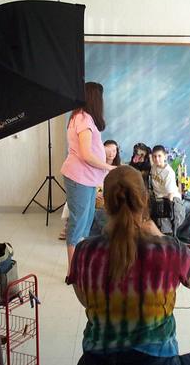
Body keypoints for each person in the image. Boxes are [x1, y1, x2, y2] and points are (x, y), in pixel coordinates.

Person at [68, 166, 190, 365]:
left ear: (105, 204)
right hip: (157, 361)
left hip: (95, 361)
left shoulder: (83, 251)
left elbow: (86, 300)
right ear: (144, 199)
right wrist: (160, 236)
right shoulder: (169, 250)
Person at [60, 82, 115, 275]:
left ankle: (80, 264)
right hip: (79, 178)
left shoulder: (82, 116)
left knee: (86, 222)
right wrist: (109, 167)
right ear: (95, 98)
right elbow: (86, 155)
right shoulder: (83, 118)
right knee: (78, 223)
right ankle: (72, 271)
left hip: (87, 179)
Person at [150, 145, 185, 236]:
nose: (157, 159)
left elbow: (170, 195)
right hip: (158, 197)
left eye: (159, 156)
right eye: (154, 156)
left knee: (166, 224)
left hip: (170, 198)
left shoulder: (168, 172)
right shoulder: (154, 167)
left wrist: (168, 209)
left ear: (165, 156)